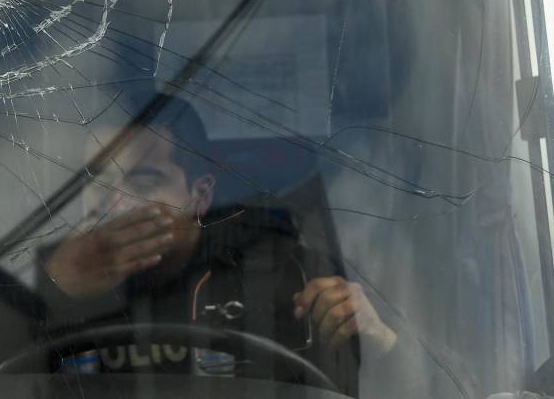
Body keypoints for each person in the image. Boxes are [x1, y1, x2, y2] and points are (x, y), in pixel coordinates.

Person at [37, 93, 398, 393]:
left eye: (143, 185)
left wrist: (377, 343)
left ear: (201, 196)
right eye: (96, 183)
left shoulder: (286, 275)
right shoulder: (46, 276)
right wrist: (52, 291)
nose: (110, 206)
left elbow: (382, 383)